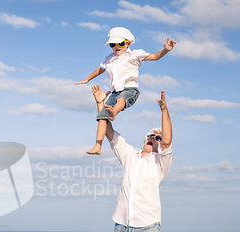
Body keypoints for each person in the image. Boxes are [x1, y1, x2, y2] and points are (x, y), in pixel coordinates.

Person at [90, 84, 183, 232]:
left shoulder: (160, 162)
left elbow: (169, 138)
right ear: (144, 141)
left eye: (157, 137)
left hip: (148, 226)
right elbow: (109, 130)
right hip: (122, 224)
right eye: (150, 136)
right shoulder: (129, 154)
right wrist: (101, 102)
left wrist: (164, 109)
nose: (153, 138)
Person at [75, 27, 176, 155]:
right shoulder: (109, 58)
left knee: (121, 99)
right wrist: (87, 79)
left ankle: (114, 113)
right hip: (115, 92)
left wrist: (166, 50)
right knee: (102, 117)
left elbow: (155, 57)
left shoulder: (135, 54)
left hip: (130, 89)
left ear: (128, 43)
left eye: (120, 43)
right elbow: (100, 69)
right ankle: (98, 146)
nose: (117, 47)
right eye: (113, 45)